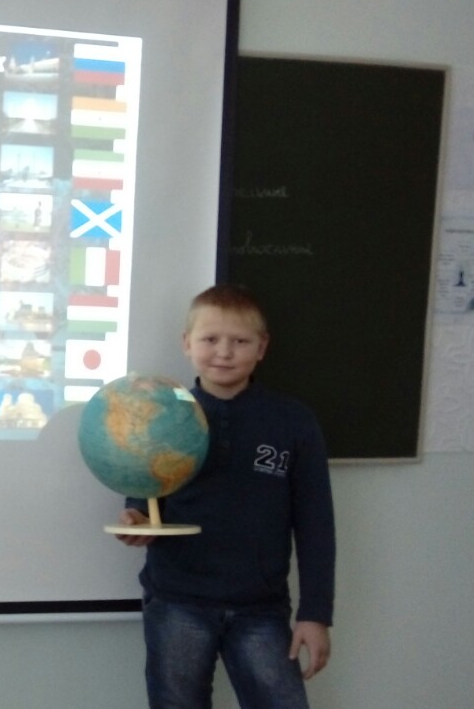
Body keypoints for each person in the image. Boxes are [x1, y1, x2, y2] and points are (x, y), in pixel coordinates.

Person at [117, 284, 335, 709]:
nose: (224, 352)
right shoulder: (164, 418)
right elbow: (142, 493)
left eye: (240, 341)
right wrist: (135, 519)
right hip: (177, 601)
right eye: (210, 339)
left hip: (261, 607)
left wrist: (315, 613)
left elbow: (316, 525)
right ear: (187, 344)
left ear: (262, 347)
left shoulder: (293, 422)